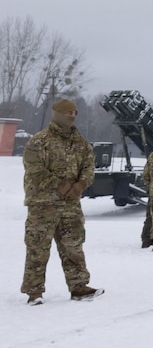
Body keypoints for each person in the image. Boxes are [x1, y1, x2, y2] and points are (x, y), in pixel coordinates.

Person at [21, 99, 103, 304]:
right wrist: (60, 185)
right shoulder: (39, 141)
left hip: (70, 205)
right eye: (68, 112)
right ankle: (34, 291)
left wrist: (80, 185)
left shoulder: (80, 143)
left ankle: (79, 286)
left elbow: (88, 166)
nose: (72, 115)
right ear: (57, 114)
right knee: (38, 247)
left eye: (75, 112)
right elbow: (34, 168)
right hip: (43, 204)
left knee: (73, 246)